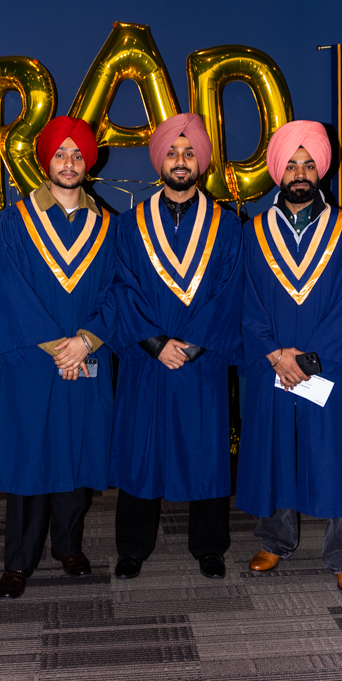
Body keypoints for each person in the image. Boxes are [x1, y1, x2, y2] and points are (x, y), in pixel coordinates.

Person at [236, 120, 342, 597]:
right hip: (273, 364)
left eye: (308, 163)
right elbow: (246, 300)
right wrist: (275, 354)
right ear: (277, 171)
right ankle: (276, 539)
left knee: (336, 459)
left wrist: (307, 360)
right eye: (290, 163)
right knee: (276, 451)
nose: (299, 171)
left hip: (323, 367)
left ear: (320, 170)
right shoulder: (253, 231)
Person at [110, 112, 242, 580]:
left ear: (200, 162)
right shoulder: (128, 225)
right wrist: (153, 342)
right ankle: (132, 545)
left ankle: (210, 545)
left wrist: (194, 345)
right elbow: (121, 288)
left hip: (200, 359)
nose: (180, 160)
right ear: (158, 160)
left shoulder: (228, 226)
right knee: (140, 446)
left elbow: (231, 292)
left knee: (205, 447)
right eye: (172, 151)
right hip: (148, 359)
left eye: (189, 152)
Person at [0, 116, 116, 599]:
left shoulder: (107, 225)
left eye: (78, 155)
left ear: (89, 163)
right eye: (61, 154)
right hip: (32, 360)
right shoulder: (16, 219)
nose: (69, 162)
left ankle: (68, 546)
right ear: (47, 160)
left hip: (85, 355)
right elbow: (11, 291)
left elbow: (117, 292)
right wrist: (56, 347)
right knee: (28, 457)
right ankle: (18, 560)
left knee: (75, 450)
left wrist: (86, 341)